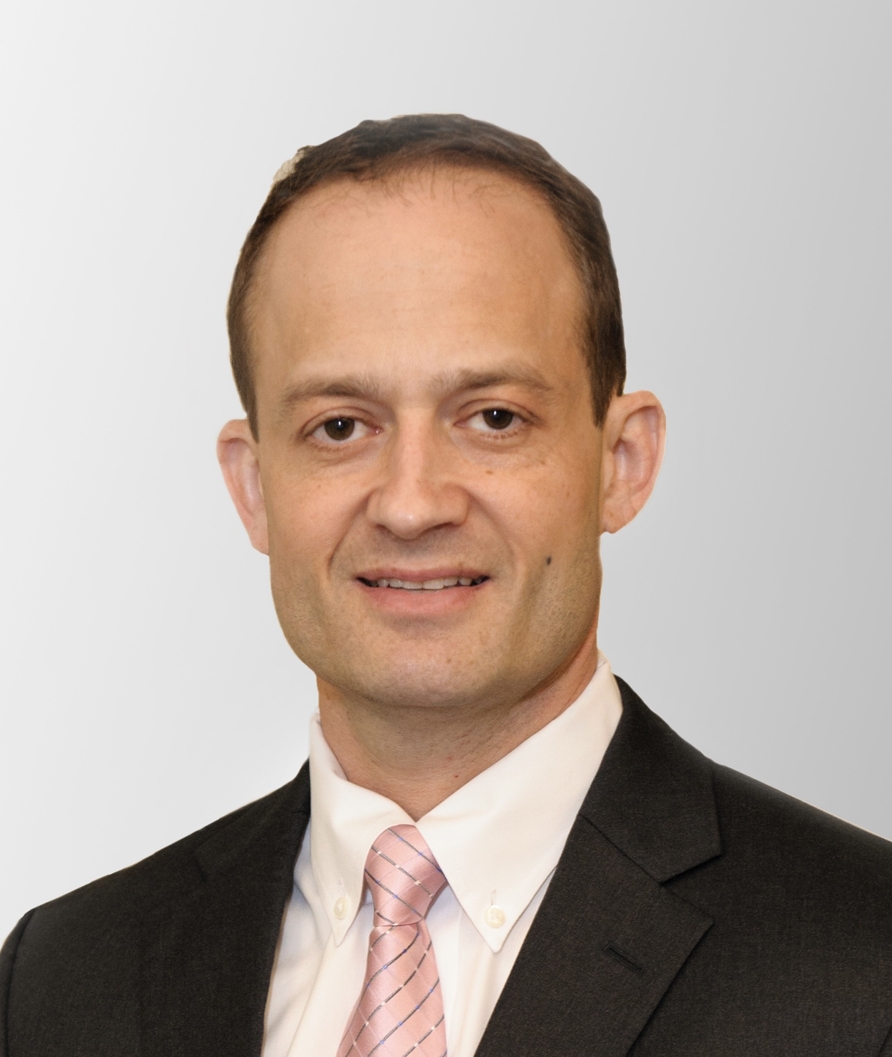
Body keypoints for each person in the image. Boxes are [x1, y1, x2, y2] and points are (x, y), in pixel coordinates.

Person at [2, 113, 891, 1057]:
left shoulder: (862, 966)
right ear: (254, 488)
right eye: (341, 426)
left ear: (621, 463)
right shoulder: (62, 983)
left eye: (494, 416)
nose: (413, 502)